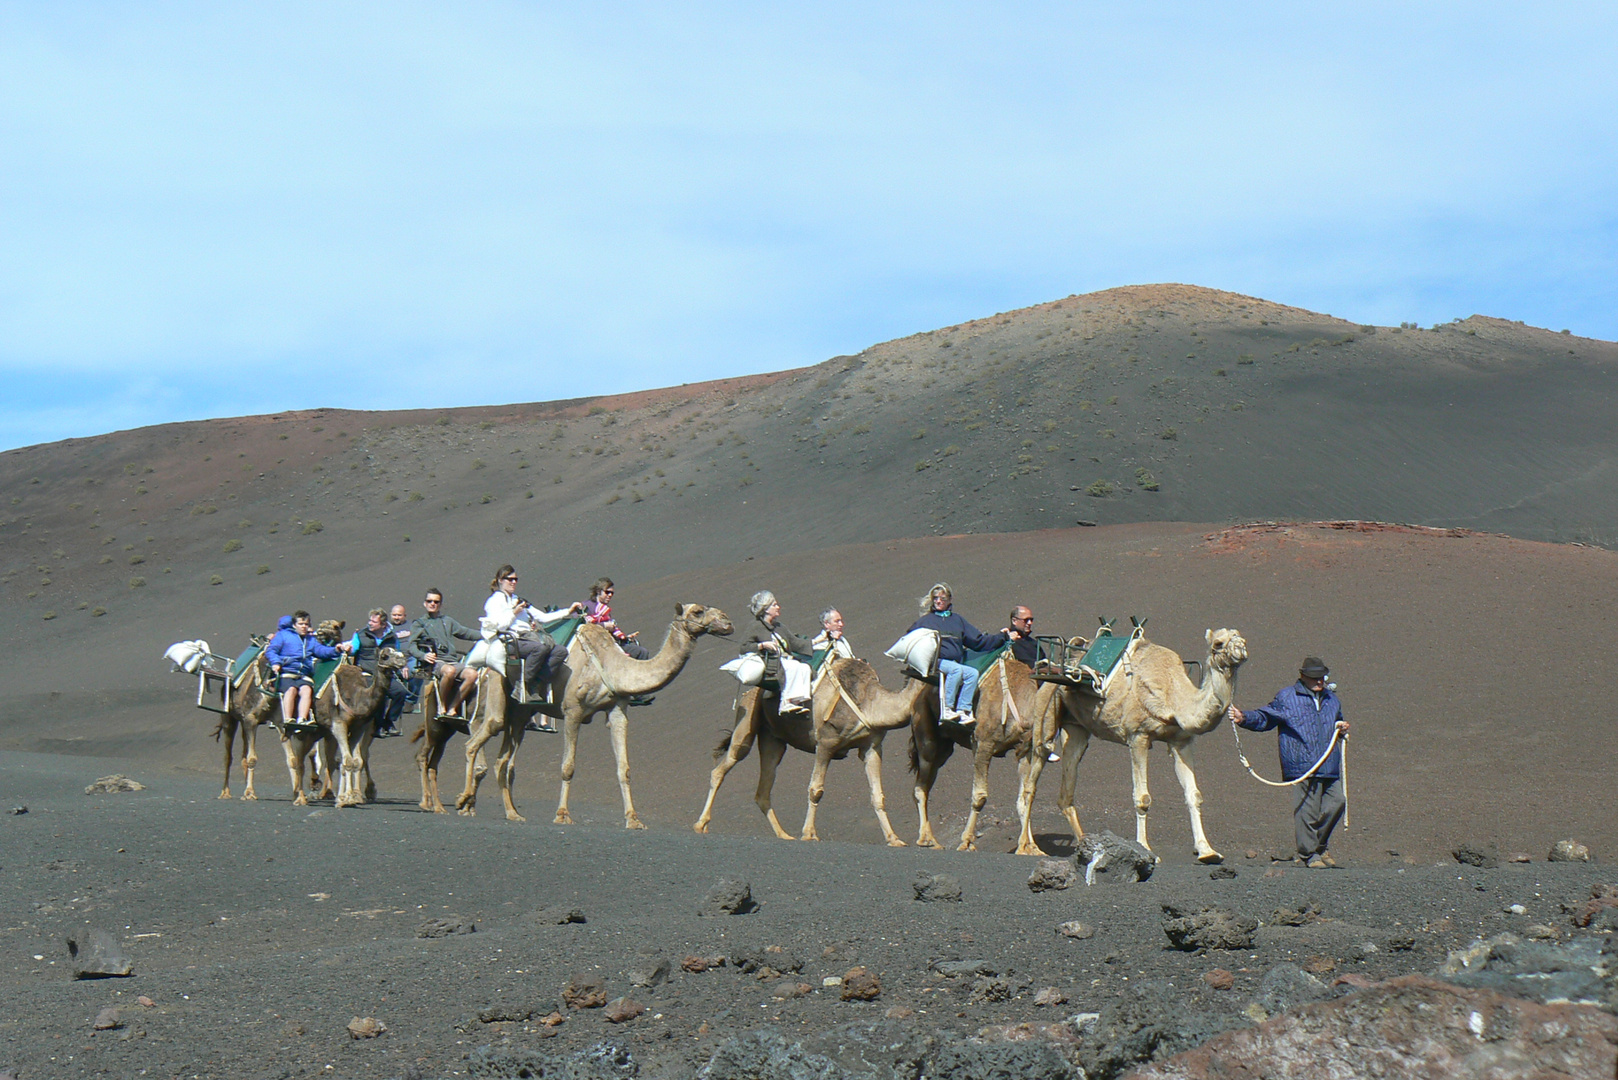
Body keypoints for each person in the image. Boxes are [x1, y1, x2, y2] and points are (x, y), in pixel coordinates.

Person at [1228, 656, 1352, 869]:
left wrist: (1341, 728)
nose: (1319, 681)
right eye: (1314, 677)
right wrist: (1244, 718)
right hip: (1302, 763)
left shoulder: (1332, 699)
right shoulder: (1288, 697)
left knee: (1337, 802)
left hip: (1329, 762)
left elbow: (1336, 720)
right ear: (1302, 676)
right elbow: (1266, 717)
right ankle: (1309, 855)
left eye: (1322, 677)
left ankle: (1319, 846)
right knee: (1308, 811)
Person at [483, 564, 584, 731]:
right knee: (540, 648)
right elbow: (498, 626)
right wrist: (514, 612)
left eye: (515, 579)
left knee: (560, 651)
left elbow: (543, 617)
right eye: (510, 579)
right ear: (501, 581)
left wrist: (568, 611)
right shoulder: (494, 601)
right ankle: (524, 686)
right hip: (512, 640)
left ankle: (537, 682)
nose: (513, 582)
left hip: (530, 639)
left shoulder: (518, 599)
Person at [907, 583, 1009, 722]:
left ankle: (963, 710)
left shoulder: (957, 620)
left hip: (953, 662)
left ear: (949, 600)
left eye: (942, 598)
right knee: (955, 670)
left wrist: (1001, 637)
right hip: (936, 662)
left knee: (972, 673)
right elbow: (910, 639)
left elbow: (978, 641)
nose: (938, 601)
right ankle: (948, 709)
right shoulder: (926, 621)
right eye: (935, 598)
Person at [263, 610, 350, 730]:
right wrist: (276, 663)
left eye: (306, 624)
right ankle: (288, 719)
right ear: (294, 625)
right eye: (301, 624)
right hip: (287, 672)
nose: (304, 627)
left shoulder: (311, 640)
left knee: (306, 690)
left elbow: (321, 651)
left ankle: (302, 720)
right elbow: (271, 651)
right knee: (291, 690)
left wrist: (336, 650)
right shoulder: (283, 636)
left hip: (303, 674)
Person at [410, 588, 482, 717]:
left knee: (472, 674)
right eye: (429, 601)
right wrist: (424, 655)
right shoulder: (419, 624)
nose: (433, 604)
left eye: (436, 602)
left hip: (452, 661)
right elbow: (412, 646)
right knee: (449, 671)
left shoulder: (447, 621)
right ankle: (441, 705)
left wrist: (488, 634)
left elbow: (465, 633)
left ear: (440, 605)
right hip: (436, 663)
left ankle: (452, 707)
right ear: (425, 603)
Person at [739, 590, 814, 713]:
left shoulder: (779, 627)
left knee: (804, 668)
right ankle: (785, 703)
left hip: (785, 661)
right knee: (793, 666)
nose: (778, 607)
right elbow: (744, 647)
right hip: (772, 664)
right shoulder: (755, 627)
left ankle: (797, 702)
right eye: (774, 605)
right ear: (766, 609)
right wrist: (762, 645)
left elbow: (795, 643)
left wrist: (818, 641)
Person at [348, 608, 408, 736]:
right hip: (366, 673)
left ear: (383, 625)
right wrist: (347, 648)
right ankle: (378, 725)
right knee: (379, 693)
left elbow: (396, 654)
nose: (370, 623)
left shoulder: (392, 638)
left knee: (400, 692)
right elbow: (352, 650)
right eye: (370, 620)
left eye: (374, 622)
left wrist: (403, 666)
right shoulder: (361, 635)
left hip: (385, 674)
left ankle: (389, 721)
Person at [583, 577, 650, 661]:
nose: (610, 595)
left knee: (641, 651)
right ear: (598, 591)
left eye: (612, 593)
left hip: (612, 643)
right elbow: (581, 626)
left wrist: (626, 638)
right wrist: (603, 625)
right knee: (641, 653)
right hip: (599, 647)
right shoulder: (586, 607)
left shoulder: (604, 610)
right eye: (607, 592)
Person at [389, 604, 420, 712]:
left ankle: (410, 701)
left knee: (418, 671)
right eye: (394, 615)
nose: (397, 617)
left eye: (399, 615)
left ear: (405, 615)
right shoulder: (387, 628)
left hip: (411, 658)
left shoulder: (412, 625)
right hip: (394, 660)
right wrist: (401, 664)